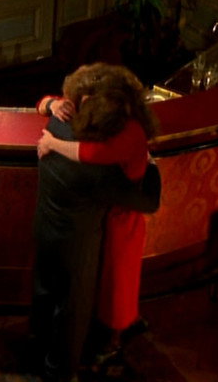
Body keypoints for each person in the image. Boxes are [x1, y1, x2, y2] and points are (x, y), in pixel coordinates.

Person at [33, 63, 157, 380]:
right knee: (81, 299)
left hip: (111, 222)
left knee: (106, 291)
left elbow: (91, 154)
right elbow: (147, 200)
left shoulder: (68, 128)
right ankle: (71, 361)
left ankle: (98, 343)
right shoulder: (84, 122)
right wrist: (51, 103)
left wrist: (51, 139)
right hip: (99, 221)